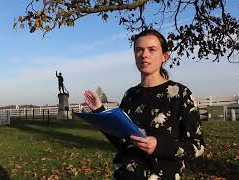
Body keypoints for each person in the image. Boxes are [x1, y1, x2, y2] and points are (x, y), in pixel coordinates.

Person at [84, 29, 205, 180]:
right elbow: (122, 141)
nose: (144, 55)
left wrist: (158, 146)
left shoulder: (180, 94)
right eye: (139, 50)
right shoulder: (130, 95)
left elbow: (198, 146)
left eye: (151, 49)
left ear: (164, 57)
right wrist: (99, 111)